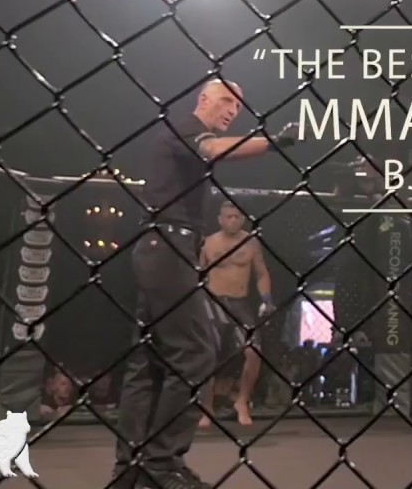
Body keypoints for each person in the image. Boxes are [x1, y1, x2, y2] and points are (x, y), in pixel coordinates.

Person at [112, 79, 297, 489]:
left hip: (166, 248)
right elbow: (214, 149)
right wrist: (273, 142)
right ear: (204, 99)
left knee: (148, 363)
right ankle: (161, 463)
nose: (232, 110)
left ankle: (130, 469)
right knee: (196, 353)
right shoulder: (185, 130)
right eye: (226, 100)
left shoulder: (186, 139)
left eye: (238, 107)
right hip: (168, 247)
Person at [198, 202, 272, 428]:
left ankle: (242, 401)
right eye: (228, 217)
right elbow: (198, 275)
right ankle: (207, 407)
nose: (232, 220)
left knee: (253, 352)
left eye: (236, 217)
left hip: (241, 303)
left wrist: (267, 299)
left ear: (243, 219)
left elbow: (261, 273)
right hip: (213, 302)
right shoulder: (208, 243)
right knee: (208, 355)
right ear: (220, 219)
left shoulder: (251, 242)